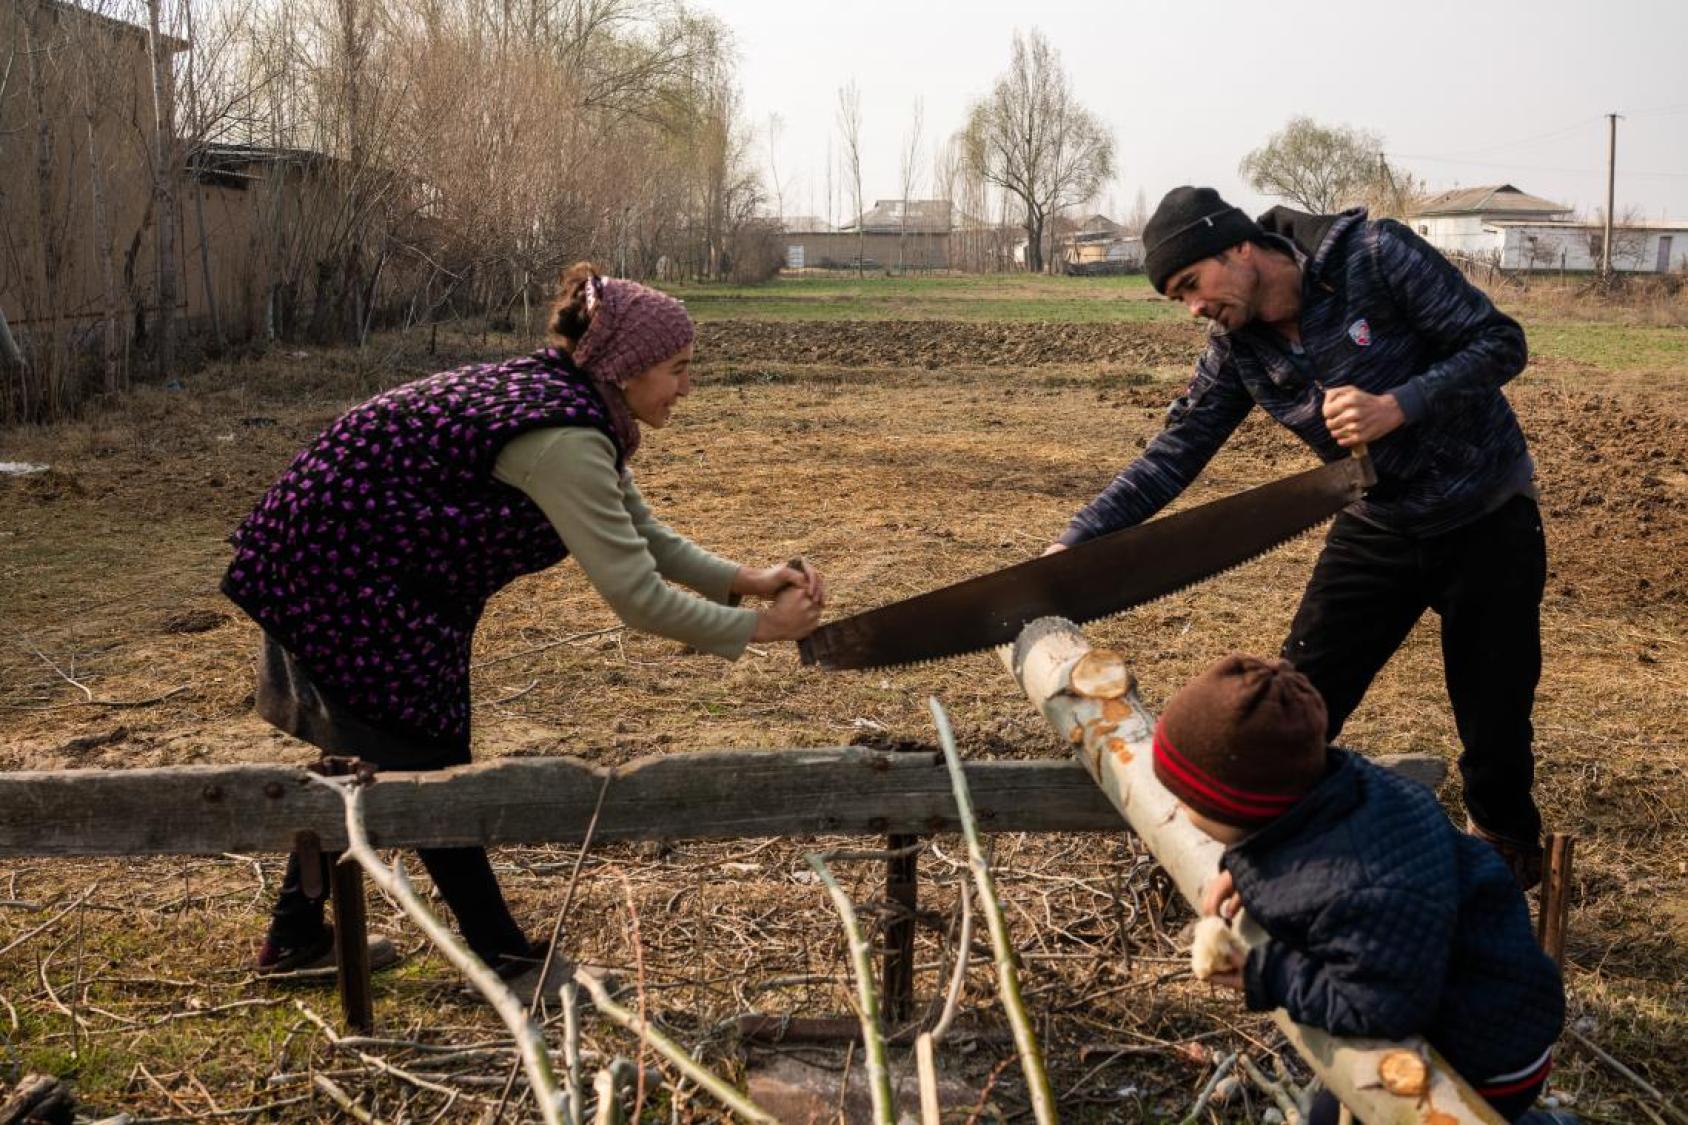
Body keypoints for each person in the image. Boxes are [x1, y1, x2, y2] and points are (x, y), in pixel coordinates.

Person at [223, 263, 825, 983]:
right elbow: (636, 595)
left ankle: (293, 939)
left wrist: (749, 582)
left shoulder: (581, 407)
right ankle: (506, 958)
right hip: (338, 571)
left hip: (375, 572)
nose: (687, 387)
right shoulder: (565, 437)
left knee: (379, 753)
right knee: (423, 758)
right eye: (678, 368)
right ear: (629, 366)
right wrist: (764, 630)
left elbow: (645, 537)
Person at [1049, 186, 1547, 886]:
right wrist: (1077, 543)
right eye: (1178, 298)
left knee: (1495, 730)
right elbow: (1176, 450)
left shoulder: (1375, 256)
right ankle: (1263, 863)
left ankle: (1507, 872)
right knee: (1294, 703)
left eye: (1193, 283)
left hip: (1487, 511)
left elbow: (1501, 342)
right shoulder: (1237, 348)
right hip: (1380, 522)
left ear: (1239, 247)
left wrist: (1399, 405)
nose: (1194, 307)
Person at [1158, 654, 1564, 1124]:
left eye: (1186, 797)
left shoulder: (1366, 890)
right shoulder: (1334, 789)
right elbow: (1280, 836)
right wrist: (1248, 867)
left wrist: (1266, 974)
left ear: (1238, 807)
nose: (1176, 805)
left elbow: (1378, 1009)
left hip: (1484, 1055)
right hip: (1445, 992)